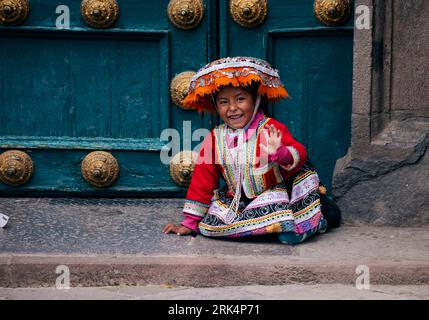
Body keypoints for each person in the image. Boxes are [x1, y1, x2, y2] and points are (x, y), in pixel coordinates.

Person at [163, 56, 339, 244]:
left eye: (240, 99)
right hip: (241, 201)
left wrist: (280, 154)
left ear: (256, 100)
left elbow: (299, 153)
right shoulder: (215, 138)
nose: (232, 108)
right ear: (216, 105)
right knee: (212, 223)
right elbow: (202, 181)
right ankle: (267, 228)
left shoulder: (270, 128)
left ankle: (310, 224)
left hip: (280, 194)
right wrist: (190, 223)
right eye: (223, 102)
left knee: (283, 204)